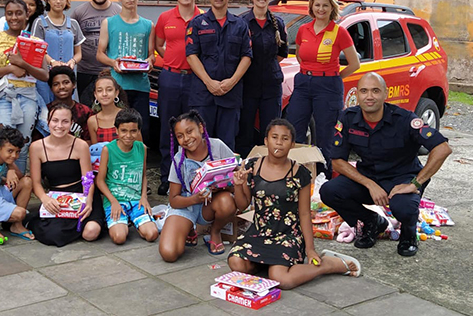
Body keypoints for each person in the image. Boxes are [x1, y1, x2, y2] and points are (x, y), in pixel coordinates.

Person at [320, 73, 453, 257]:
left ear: (386, 94)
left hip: (402, 178)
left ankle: (408, 232)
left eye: (375, 91)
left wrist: (415, 183)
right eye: (364, 91)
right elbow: (337, 161)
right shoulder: (348, 118)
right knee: (329, 191)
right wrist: (369, 184)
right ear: (356, 95)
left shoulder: (405, 119)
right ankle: (372, 223)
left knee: (404, 208)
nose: (369, 96)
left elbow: (442, 148)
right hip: (369, 178)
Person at [228, 119, 362, 289]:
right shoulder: (253, 166)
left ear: (292, 144)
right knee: (236, 263)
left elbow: (305, 214)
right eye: (274, 137)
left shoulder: (300, 174)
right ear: (265, 141)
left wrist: (310, 249)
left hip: (288, 235)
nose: (279, 142)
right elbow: (242, 204)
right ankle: (268, 263)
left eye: (285, 139)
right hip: (260, 232)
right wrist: (238, 185)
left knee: (283, 280)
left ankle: (326, 265)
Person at [287, 0, 360, 169]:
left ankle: (322, 179)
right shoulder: (303, 29)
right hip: (303, 83)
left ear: (331, 7)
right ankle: (297, 173)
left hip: (328, 86)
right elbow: (299, 55)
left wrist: (333, 78)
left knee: (326, 135)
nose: (321, 9)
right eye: (317, 5)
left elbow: (354, 64)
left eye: (325, 5)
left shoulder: (339, 32)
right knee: (295, 129)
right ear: (312, 6)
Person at [158, 111, 236, 262]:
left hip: (212, 204)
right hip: (187, 205)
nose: (186, 139)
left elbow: (235, 177)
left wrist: (222, 186)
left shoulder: (217, 146)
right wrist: (195, 198)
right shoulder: (178, 159)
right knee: (169, 253)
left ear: (200, 128)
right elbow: (174, 200)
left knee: (227, 201)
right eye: (180, 136)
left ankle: (214, 232)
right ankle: (189, 229)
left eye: (189, 131)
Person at [0, 0, 50, 173]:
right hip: (3, 96)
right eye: (9, 13)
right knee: (4, 144)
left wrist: (24, 65)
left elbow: (44, 74)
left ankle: (18, 192)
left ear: (27, 15)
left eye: (19, 13)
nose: (14, 17)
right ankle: (0, 186)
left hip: (28, 97)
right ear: (5, 15)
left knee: (22, 144)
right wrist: (10, 68)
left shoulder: (35, 41)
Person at [186, 0, 252, 151]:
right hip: (203, 95)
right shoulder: (197, 23)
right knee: (200, 144)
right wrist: (209, 82)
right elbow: (191, 55)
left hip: (230, 95)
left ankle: (227, 179)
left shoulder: (240, 25)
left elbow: (247, 56)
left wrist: (232, 81)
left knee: (226, 145)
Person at [28, 102, 105, 246]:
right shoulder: (36, 147)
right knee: (53, 235)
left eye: (65, 121)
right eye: (55, 121)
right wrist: (44, 198)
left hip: (82, 193)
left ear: (71, 123)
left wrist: (88, 200)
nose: (59, 126)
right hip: (58, 198)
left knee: (91, 232)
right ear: (48, 121)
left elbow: (87, 179)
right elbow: (36, 183)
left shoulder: (81, 145)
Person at [154, 0, 204, 195]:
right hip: (171, 78)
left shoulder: (203, 18)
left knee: (194, 128)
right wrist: (173, 61)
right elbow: (158, 45)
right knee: (169, 129)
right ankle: (167, 177)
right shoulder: (165, 17)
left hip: (196, 79)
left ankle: (195, 176)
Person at [96, 0, 155, 145]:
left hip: (140, 85)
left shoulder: (148, 25)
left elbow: (151, 55)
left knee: (142, 130)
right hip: (118, 85)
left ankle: (140, 164)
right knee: (118, 128)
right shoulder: (109, 23)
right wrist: (114, 63)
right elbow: (100, 54)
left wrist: (149, 62)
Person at [236, 0, 289, 158]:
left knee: (271, 130)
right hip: (247, 85)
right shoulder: (241, 22)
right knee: (245, 130)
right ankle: (245, 169)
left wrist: (267, 67)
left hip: (271, 85)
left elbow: (281, 53)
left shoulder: (278, 23)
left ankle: (269, 169)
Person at [96, 108, 158, 245]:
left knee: (152, 234)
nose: (128, 135)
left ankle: (134, 220)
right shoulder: (108, 150)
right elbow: (100, 181)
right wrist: (113, 201)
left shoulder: (141, 148)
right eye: (124, 131)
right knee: (119, 238)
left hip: (136, 200)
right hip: (116, 200)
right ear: (116, 130)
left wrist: (144, 197)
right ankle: (124, 221)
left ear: (138, 131)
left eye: (133, 131)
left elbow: (143, 175)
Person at [70, 0, 121, 108]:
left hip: (111, 72)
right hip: (85, 72)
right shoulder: (79, 12)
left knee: (111, 110)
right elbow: (71, 41)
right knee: (86, 110)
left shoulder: (119, 12)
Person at [31, 0, 85, 105]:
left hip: (67, 75)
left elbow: (78, 53)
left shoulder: (73, 24)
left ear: (67, 1)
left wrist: (72, 62)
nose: (58, 2)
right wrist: (52, 62)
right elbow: (36, 49)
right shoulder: (39, 23)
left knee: (66, 107)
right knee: (45, 108)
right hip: (45, 75)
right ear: (48, 0)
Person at [48, 65, 93, 143]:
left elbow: (89, 140)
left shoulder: (85, 112)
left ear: (74, 84)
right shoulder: (46, 111)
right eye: (56, 84)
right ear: (51, 88)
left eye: (66, 82)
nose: (61, 87)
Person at [87, 71, 129, 144]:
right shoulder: (92, 121)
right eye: (100, 91)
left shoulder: (127, 116)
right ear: (95, 95)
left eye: (109, 90)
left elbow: (139, 147)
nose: (104, 94)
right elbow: (95, 150)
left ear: (116, 93)